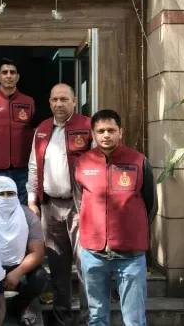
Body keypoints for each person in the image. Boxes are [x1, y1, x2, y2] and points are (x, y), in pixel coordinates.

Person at [73, 109, 157, 326]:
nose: (106, 135)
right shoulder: (82, 163)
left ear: (121, 132)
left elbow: (150, 205)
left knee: (134, 319)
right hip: (93, 253)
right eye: (100, 131)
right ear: (93, 134)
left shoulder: (139, 161)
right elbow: (80, 202)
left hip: (130, 254)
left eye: (111, 130)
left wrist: (132, 229)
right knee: (96, 317)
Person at [26, 83, 91, 326]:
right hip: (49, 207)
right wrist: (32, 200)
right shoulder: (43, 129)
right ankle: (62, 318)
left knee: (86, 264)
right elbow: (34, 166)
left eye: (64, 99)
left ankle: (87, 319)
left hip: (80, 207)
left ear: (74, 101)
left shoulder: (87, 126)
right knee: (57, 266)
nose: (59, 104)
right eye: (54, 100)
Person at [0, 177, 47, 326]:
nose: (6, 198)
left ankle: (20, 306)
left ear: (16, 194)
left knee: (39, 276)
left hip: (18, 265)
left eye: (10, 193)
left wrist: (18, 272)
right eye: (1, 194)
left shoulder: (28, 216)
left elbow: (38, 253)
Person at [0, 58, 37, 206]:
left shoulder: (29, 102)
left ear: (18, 76)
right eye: (4, 72)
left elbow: (37, 136)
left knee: (22, 211)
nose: (9, 76)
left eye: (12, 72)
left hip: (23, 169)